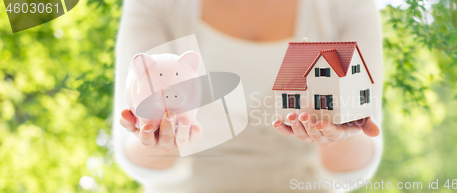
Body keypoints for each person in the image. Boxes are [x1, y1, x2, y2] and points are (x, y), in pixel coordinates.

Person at [113, 0, 383, 192]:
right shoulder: (154, 4)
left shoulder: (348, 5)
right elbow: (137, 154)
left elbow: (353, 169)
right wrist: (159, 140)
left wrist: (338, 135)